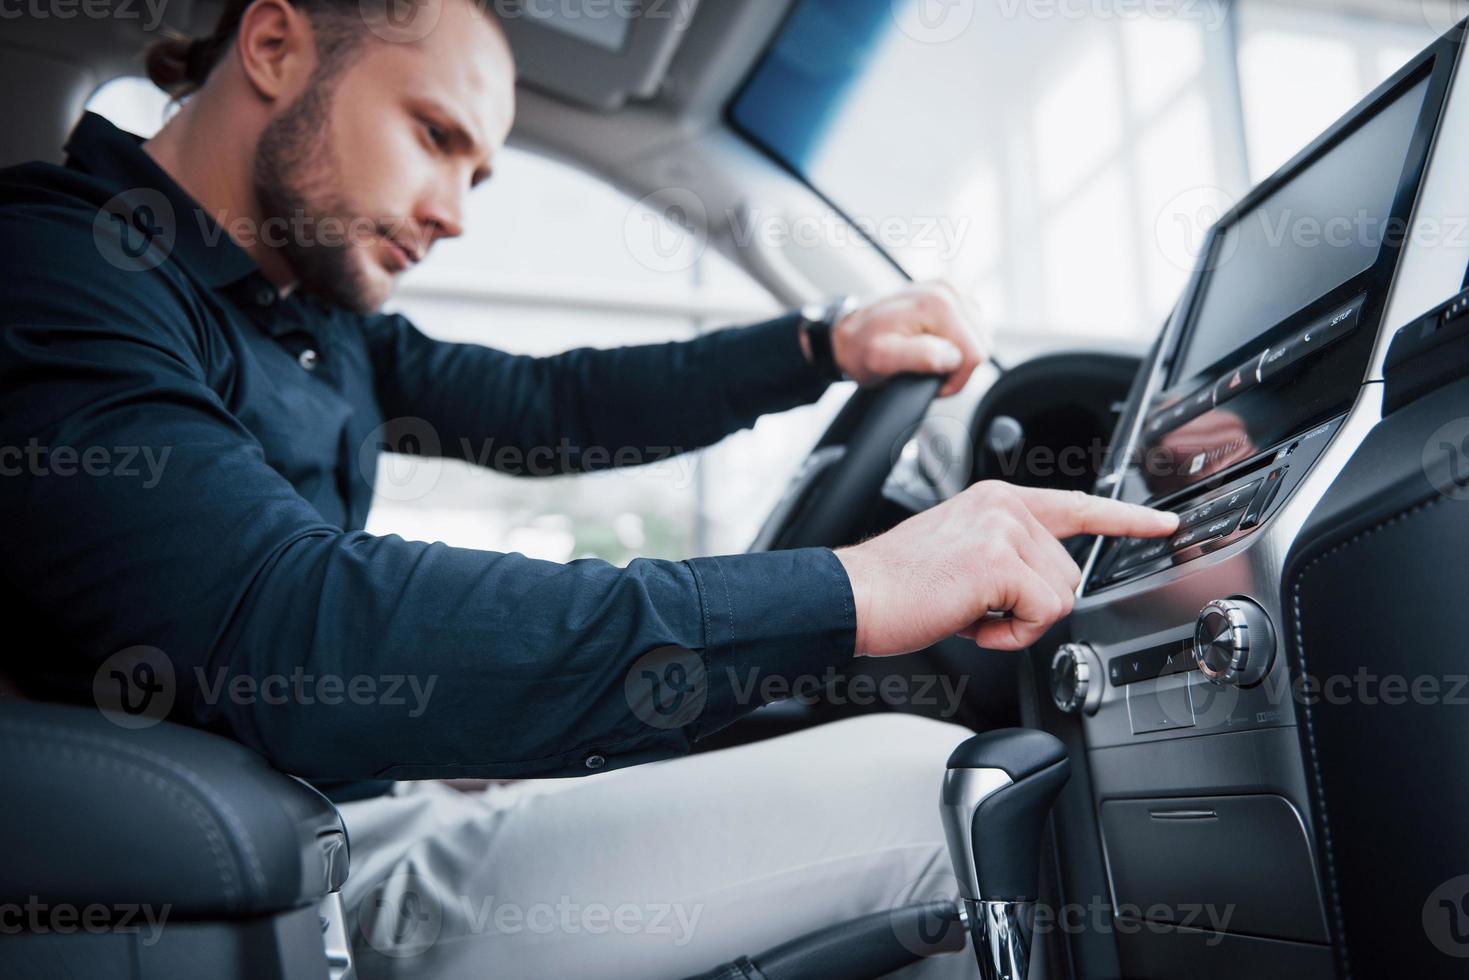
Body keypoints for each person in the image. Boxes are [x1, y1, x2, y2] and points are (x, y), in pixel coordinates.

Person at [0, 0, 1178, 975]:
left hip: (356, 817)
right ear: (272, 46)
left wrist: (822, 345)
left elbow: (552, 407)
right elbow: (282, 616)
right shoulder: (61, 268)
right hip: (307, 869)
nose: (452, 212)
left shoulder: (303, 308)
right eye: (433, 134)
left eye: (478, 168)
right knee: (944, 792)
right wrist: (853, 589)